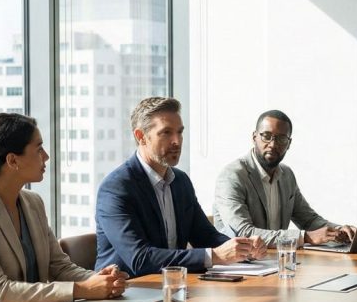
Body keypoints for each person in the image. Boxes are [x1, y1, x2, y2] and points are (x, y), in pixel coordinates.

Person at [0, 113, 127, 302]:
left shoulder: (33, 202)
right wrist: (81, 289)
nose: (46, 156)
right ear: (12, 160)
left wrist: (99, 280)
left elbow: (59, 266)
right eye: (39, 149)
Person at [96, 97, 266, 277]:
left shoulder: (180, 181)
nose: (177, 141)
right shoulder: (116, 188)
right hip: (130, 287)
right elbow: (140, 259)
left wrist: (244, 248)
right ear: (141, 137)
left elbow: (205, 236)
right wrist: (216, 256)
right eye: (166, 133)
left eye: (179, 132)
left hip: (174, 284)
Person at [214, 110, 354, 247]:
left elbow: (308, 220)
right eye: (266, 136)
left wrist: (340, 231)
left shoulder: (287, 175)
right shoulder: (232, 176)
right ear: (254, 137)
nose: (273, 144)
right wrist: (306, 237)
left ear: (289, 144)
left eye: (281, 139)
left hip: (279, 258)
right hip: (241, 260)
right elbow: (243, 233)